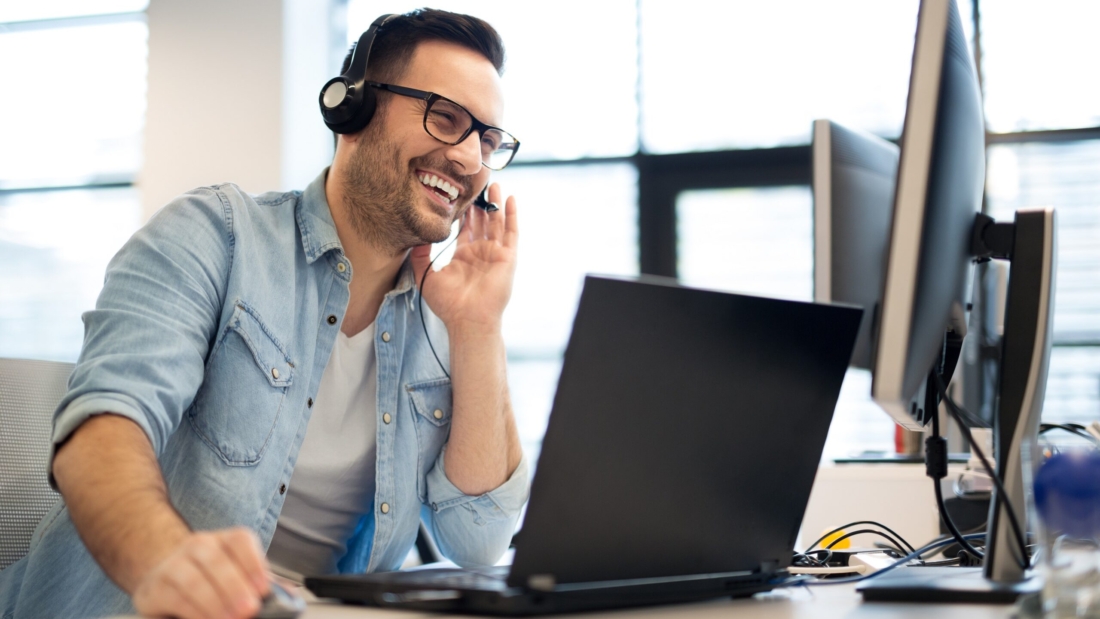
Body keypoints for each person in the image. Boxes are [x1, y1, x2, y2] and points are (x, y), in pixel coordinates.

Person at [0, 8, 527, 619]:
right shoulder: (215, 236)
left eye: (488, 140)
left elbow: (478, 543)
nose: (469, 159)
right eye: (446, 118)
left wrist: (478, 326)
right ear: (351, 110)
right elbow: (103, 430)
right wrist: (163, 560)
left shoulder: (444, 322)